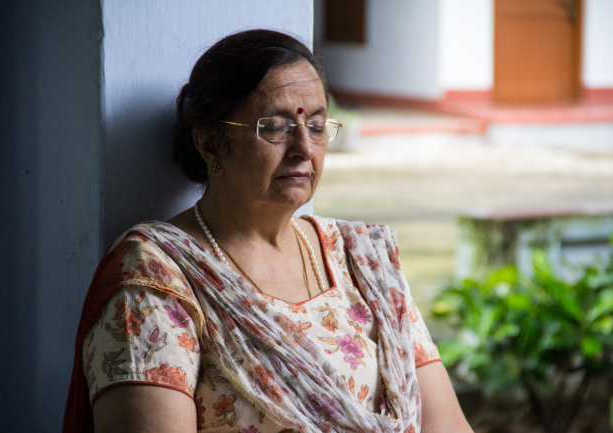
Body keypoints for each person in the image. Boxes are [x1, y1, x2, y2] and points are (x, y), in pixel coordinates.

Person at [64, 29, 473, 433]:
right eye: (275, 128)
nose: (303, 149)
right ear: (210, 142)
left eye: (316, 126)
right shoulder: (158, 278)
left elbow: (446, 425)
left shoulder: (362, 260)